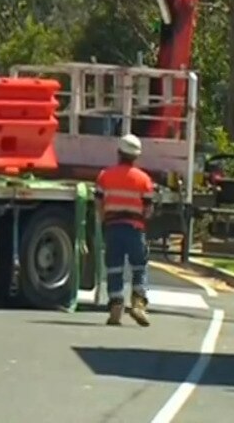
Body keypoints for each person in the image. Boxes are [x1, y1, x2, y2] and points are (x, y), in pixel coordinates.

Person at [95, 133, 156, 327]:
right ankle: (138, 302)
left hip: (113, 228)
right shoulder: (144, 179)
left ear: (119, 152)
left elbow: (98, 203)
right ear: (136, 156)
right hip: (135, 229)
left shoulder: (105, 176)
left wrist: (103, 220)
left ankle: (116, 307)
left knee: (114, 268)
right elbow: (148, 209)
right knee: (139, 266)